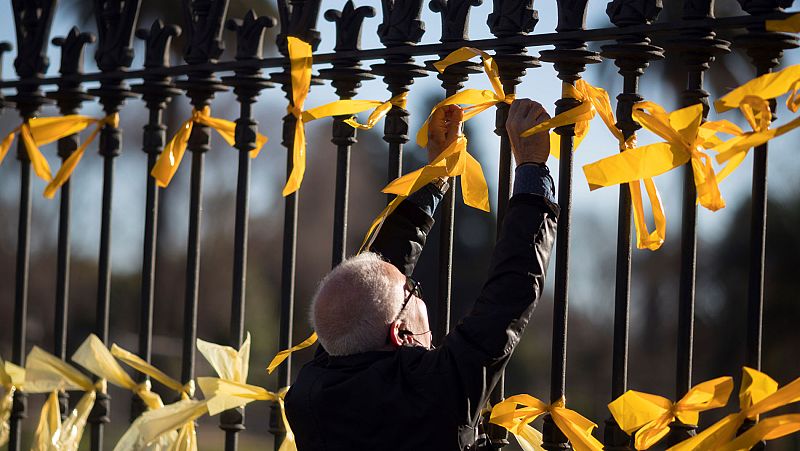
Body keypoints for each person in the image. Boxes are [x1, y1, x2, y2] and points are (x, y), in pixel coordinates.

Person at [285, 99, 558, 451]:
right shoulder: (432, 391)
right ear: (400, 333)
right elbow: (509, 294)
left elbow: (376, 279)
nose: (415, 290)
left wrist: (436, 174)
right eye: (413, 291)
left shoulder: (310, 394)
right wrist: (533, 169)